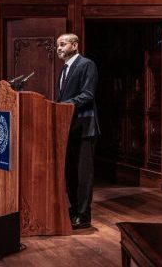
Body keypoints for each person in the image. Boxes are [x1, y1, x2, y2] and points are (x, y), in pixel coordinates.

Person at [56, 33, 100, 230]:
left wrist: (63, 106)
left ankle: (83, 216)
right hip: (68, 128)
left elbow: (88, 95)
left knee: (83, 175)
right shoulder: (64, 69)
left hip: (84, 128)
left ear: (74, 45)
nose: (59, 48)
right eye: (57, 45)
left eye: (63, 44)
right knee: (70, 173)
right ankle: (73, 210)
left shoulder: (86, 64)